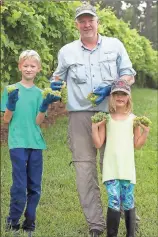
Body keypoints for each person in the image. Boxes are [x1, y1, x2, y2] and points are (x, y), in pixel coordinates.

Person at [50, 3, 136, 236]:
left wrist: (112, 86)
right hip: (80, 116)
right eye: (82, 20)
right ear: (77, 24)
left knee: (116, 166)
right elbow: (57, 77)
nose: (86, 24)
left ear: (98, 22)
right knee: (84, 169)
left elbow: (129, 75)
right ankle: (97, 225)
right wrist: (54, 84)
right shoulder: (67, 51)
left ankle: (127, 215)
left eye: (90, 19)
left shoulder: (114, 45)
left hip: (112, 115)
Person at [1, 50, 60, 236]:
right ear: (19, 67)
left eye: (32, 66)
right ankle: (13, 221)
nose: (28, 68)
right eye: (25, 65)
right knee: (19, 185)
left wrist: (44, 106)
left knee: (34, 185)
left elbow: (38, 121)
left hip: (35, 143)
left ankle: (30, 222)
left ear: (38, 69)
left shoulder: (41, 93)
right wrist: (10, 105)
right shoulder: (10, 89)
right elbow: (5, 119)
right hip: (17, 142)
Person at [92, 79, 150, 237]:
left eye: (123, 94)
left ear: (128, 97)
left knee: (128, 200)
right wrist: (94, 128)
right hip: (111, 168)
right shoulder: (106, 118)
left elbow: (137, 145)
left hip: (126, 168)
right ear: (111, 97)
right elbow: (98, 144)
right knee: (114, 201)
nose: (119, 97)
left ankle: (130, 234)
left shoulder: (134, 120)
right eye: (116, 93)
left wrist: (145, 132)